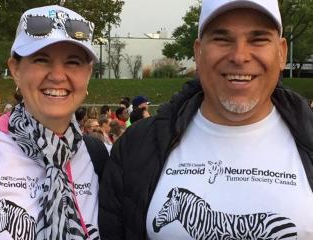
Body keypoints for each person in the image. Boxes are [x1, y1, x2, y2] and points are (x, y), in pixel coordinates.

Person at [99, 0, 313, 239]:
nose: (240, 56)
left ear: (282, 52)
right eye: (222, 39)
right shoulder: (136, 147)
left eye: (258, 39)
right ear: (198, 52)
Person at [0, 5, 108, 240]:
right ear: (15, 70)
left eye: (73, 62)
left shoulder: (100, 158)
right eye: (41, 60)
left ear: (88, 74)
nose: (58, 76)